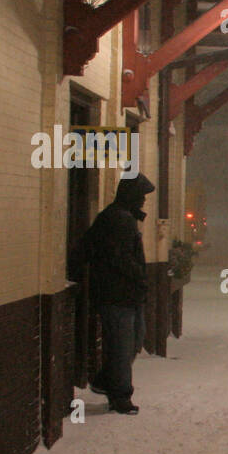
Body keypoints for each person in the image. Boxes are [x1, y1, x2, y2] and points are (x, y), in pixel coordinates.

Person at [78, 173, 156, 415]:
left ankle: (107, 381)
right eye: (141, 195)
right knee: (124, 345)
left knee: (131, 340)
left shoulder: (120, 218)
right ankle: (120, 395)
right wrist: (138, 276)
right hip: (117, 295)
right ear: (131, 196)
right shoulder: (118, 220)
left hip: (125, 294)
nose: (144, 201)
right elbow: (119, 258)